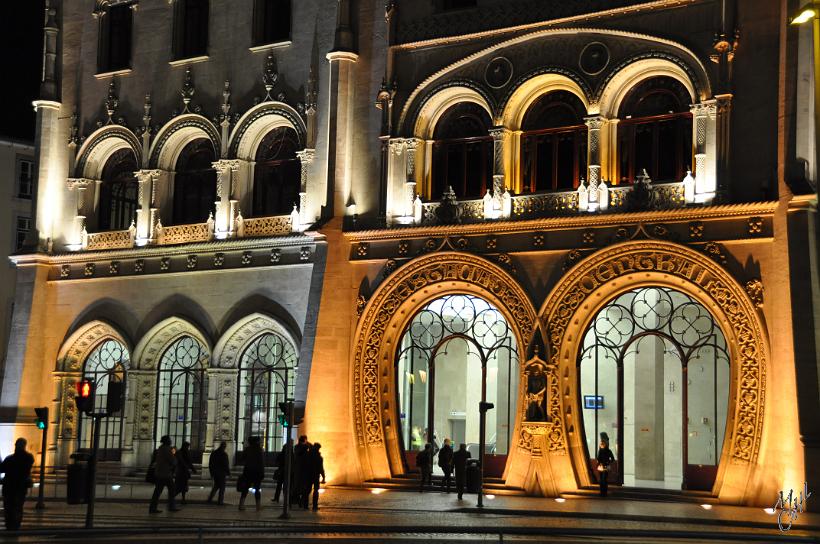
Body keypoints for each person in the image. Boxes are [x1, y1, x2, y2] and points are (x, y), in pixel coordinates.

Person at [0, 438, 34, 530]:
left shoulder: (10, 458)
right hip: (20, 486)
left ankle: (10, 524)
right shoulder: (28, 457)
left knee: (9, 507)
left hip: (10, 486)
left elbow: (2, 468)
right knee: (17, 506)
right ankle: (15, 524)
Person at [149, 435, 179, 513]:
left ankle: (152, 507)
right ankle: (171, 506)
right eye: (169, 440)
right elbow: (173, 461)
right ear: (167, 441)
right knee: (172, 489)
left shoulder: (160, 448)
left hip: (160, 473)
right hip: (166, 473)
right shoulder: (167, 449)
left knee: (157, 491)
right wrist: (175, 455)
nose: (170, 441)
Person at [239, 436, 265, 511]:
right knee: (257, 489)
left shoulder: (247, 449)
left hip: (248, 471)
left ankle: (241, 504)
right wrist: (262, 472)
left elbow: (242, 459)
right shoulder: (259, 450)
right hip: (257, 472)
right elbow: (261, 462)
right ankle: (258, 506)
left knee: (245, 488)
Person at [306, 442, 326, 511]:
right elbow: (321, 468)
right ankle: (314, 506)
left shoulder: (308, 455)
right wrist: (323, 477)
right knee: (315, 491)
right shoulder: (319, 457)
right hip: (316, 476)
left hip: (308, 475)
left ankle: (305, 505)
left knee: (307, 490)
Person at [292, 435, 310, 507]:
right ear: (304, 440)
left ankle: (300, 502)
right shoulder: (303, 448)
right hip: (302, 470)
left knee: (299, 487)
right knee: (302, 488)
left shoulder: (296, 447)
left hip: (299, 470)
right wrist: (307, 444)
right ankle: (301, 502)